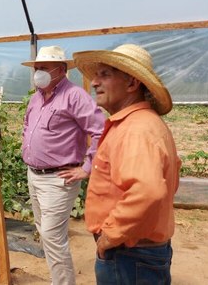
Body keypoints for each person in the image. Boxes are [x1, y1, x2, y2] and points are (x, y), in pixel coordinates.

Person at [73, 44, 181, 285]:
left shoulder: (136, 130)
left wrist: (111, 235)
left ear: (132, 84)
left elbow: (148, 190)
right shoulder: (139, 124)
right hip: (137, 251)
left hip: (129, 253)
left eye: (105, 75)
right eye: (96, 75)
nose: (94, 83)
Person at [21, 45, 105, 285]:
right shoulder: (36, 98)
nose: (38, 72)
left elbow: (100, 130)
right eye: (37, 68)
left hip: (59, 178)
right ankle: (57, 279)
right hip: (34, 174)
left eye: (43, 68)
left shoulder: (74, 96)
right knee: (44, 231)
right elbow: (28, 126)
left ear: (60, 70)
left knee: (51, 235)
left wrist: (87, 167)